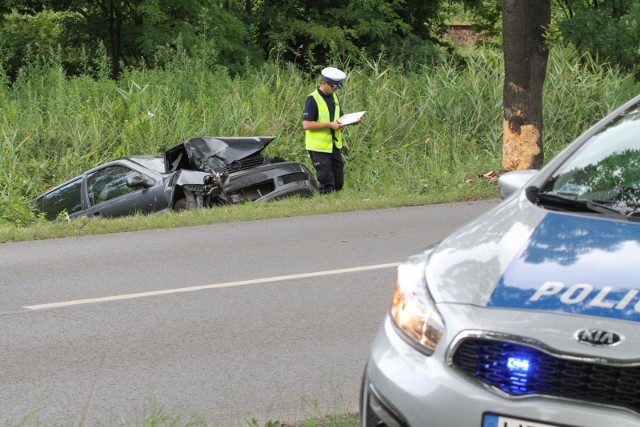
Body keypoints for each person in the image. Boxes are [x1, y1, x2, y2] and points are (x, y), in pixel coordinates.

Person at [302, 66, 360, 194]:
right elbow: (306, 125)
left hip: (333, 145)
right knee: (326, 179)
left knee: (338, 181)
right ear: (324, 83)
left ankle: (333, 201)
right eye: (333, 87)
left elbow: (339, 118)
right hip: (318, 147)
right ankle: (324, 204)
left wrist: (352, 121)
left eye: (337, 87)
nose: (335, 90)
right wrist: (330, 125)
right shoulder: (312, 99)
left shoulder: (333, 97)